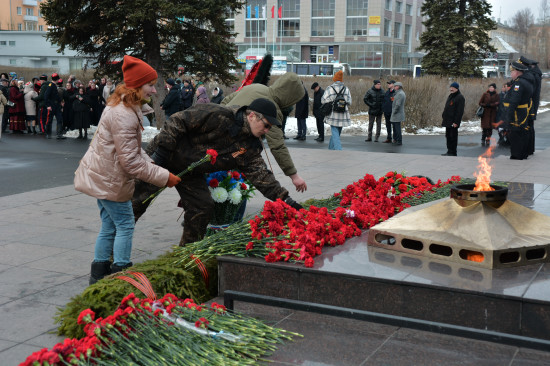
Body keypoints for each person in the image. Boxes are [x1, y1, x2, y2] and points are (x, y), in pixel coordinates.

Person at [132, 98, 302, 246]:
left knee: (202, 206)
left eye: (269, 128)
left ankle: (189, 252)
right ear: (252, 116)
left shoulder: (249, 147)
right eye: (266, 125)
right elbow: (178, 120)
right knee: (137, 201)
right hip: (165, 156)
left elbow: (261, 176)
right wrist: (160, 156)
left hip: (191, 170)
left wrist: (286, 200)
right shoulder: (219, 114)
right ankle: (113, 255)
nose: (266, 131)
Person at [74, 55, 181, 284]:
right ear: (136, 85)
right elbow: (130, 162)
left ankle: (99, 277)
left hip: (101, 176)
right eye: (150, 85)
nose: (154, 90)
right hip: (110, 180)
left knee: (109, 226)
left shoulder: (121, 106)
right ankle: (121, 276)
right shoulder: (125, 115)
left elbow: (128, 150)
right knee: (125, 224)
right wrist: (165, 177)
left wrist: (152, 165)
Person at [221, 72, 307, 192]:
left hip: (217, 141)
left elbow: (225, 101)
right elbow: (277, 146)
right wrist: (294, 176)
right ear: (290, 98)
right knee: (237, 189)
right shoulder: (272, 109)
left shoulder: (256, 86)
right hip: (238, 149)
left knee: (218, 185)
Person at [494, 61, 533, 160]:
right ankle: (523, 153)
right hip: (521, 112)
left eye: (512, 71)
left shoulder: (519, 83)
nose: (511, 73)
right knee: (522, 132)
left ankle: (517, 155)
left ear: (518, 72)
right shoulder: (525, 81)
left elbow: (514, 101)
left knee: (516, 134)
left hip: (517, 113)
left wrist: (508, 116)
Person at [321, 70, 352, 150]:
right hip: (343, 113)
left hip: (333, 114)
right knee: (337, 133)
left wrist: (331, 101)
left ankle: (338, 150)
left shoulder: (330, 88)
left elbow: (323, 100)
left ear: (335, 78)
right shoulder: (346, 89)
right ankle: (331, 149)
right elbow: (349, 101)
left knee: (335, 132)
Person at [519, 56, 542, 155]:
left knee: (527, 127)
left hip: (529, 105)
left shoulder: (532, 76)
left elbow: (531, 93)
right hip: (532, 105)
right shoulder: (535, 74)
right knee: (530, 127)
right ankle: (530, 149)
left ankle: (527, 149)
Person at [441, 82, 465, 156]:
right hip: (447, 120)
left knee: (453, 137)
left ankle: (453, 152)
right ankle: (449, 151)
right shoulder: (451, 96)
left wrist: (456, 122)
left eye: (453, 88)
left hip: (453, 122)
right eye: (450, 87)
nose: (451, 89)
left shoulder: (460, 97)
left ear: (457, 88)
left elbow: (460, 111)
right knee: (448, 136)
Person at [390, 81, 405, 146]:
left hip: (397, 113)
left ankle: (399, 140)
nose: (394, 87)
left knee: (397, 128)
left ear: (398, 87)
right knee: (395, 127)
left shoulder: (400, 94)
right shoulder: (398, 93)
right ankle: (396, 139)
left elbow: (398, 105)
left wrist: (394, 112)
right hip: (396, 113)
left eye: (395, 86)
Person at [496, 82, 511, 147]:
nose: (503, 88)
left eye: (504, 87)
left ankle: (508, 139)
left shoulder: (509, 94)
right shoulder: (499, 95)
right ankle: (501, 138)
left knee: (507, 128)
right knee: (500, 127)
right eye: (502, 87)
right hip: (500, 113)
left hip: (507, 114)